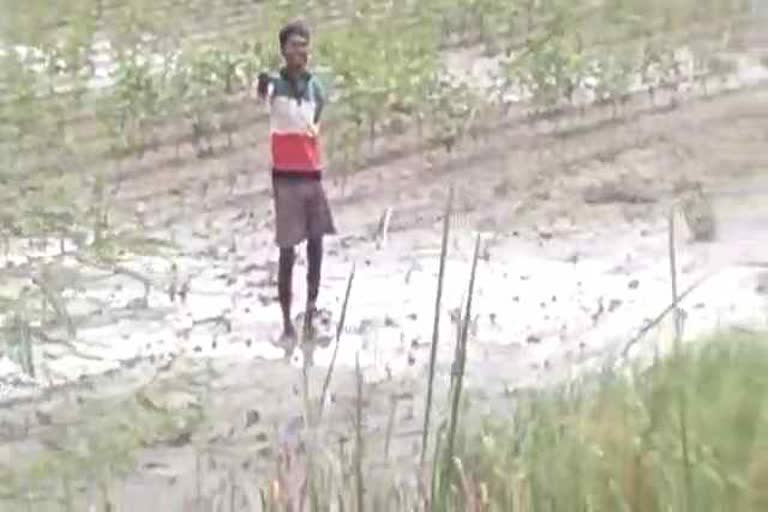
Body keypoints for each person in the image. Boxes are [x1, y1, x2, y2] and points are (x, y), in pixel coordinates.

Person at [256, 21, 336, 345]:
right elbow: (263, 94)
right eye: (293, 45)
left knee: (316, 245)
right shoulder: (274, 86)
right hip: (286, 178)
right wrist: (262, 86)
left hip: (312, 174)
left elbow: (315, 122)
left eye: (303, 45)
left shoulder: (316, 86)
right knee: (287, 251)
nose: (299, 51)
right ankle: (287, 323)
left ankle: (310, 311)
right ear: (283, 51)